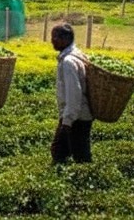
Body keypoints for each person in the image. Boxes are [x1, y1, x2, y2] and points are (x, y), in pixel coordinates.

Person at [50, 23, 94, 164]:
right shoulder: (77, 54)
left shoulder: (68, 62)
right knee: (65, 152)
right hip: (79, 114)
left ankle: (86, 176)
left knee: (77, 156)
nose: (52, 41)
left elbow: (74, 93)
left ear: (65, 39)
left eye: (55, 37)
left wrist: (67, 121)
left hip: (76, 117)